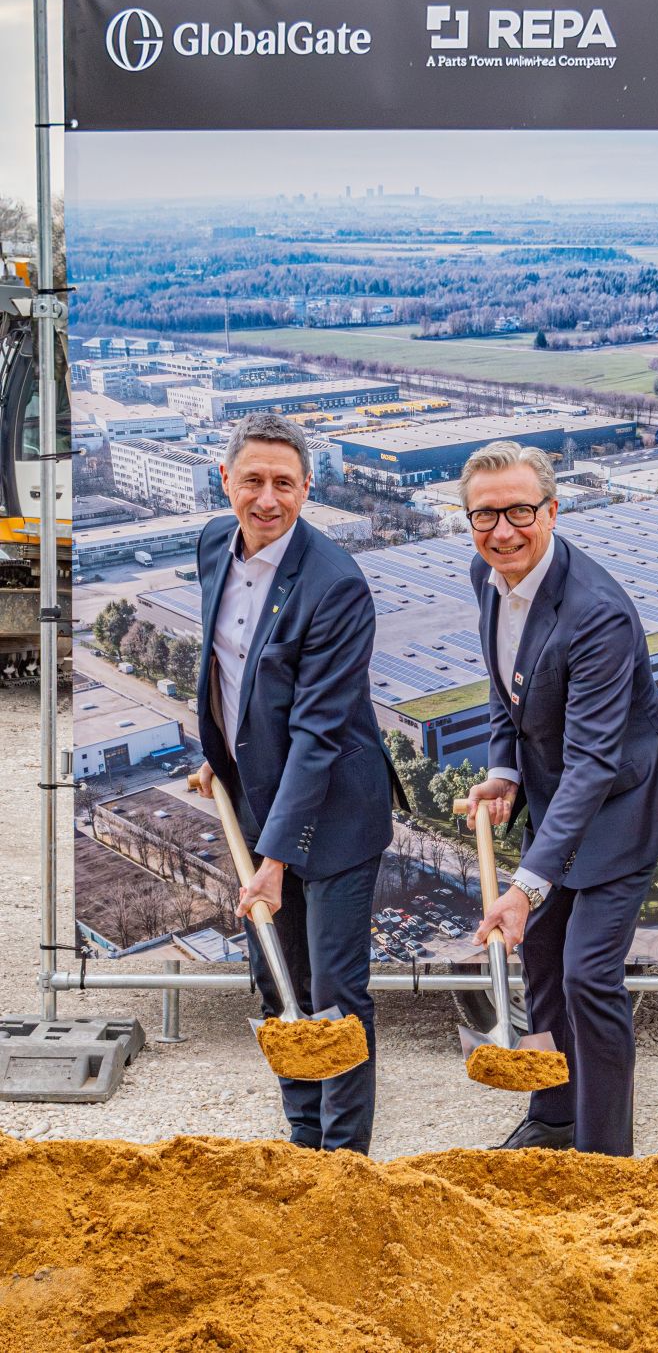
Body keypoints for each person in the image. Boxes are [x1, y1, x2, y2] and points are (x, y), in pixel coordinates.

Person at [462, 440, 658, 1157]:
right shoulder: (488, 575)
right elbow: (502, 686)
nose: (503, 530)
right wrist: (505, 770)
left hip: (620, 810)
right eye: (485, 514)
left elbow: (594, 761)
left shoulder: (596, 614)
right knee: (542, 961)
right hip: (553, 796)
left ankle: (604, 1154)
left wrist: (522, 885)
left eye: (520, 510)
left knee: (586, 976)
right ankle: (553, 1114)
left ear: (552, 509)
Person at [192, 412, 403, 1154]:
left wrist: (275, 861)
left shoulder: (336, 584)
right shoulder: (212, 546)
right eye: (252, 479)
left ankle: (344, 1161)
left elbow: (318, 731)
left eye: (285, 482)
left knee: (334, 996)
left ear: (308, 488)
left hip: (338, 813)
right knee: (277, 982)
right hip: (260, 803)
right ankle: (303, 1135)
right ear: (226, 480)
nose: (268, 497)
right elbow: (230, 673)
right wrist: (220, 754)